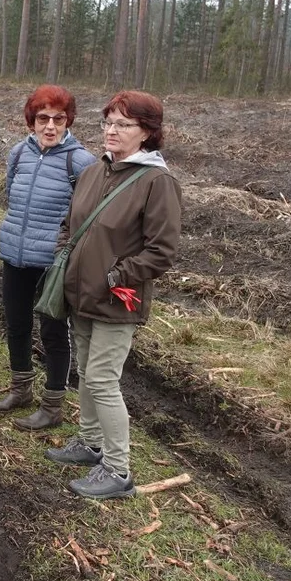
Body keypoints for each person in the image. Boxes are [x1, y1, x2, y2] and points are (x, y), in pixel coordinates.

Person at [44, 90, 182, 499]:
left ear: (147, 133)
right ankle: (91, 444)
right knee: (86, 372)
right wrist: (65, 258)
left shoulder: (157, 182)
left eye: (123, 124)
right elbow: (71, 224)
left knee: (103, 379)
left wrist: (115, 275)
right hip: (80, 294)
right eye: (108, 122)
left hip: (117, 298)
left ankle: (118, 470)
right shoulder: (95, 172)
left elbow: (162, 250)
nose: (112, 131)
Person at [0, 86, 96, 428]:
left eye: (58, 118)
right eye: (42, 118)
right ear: (31, 121)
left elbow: (86, 217)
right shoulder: (19, 153)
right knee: (16, 324)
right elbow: (11, 196)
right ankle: (20, 388)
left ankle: (52, 405)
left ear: (69, 121)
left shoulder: (79, 161)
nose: (50, 126)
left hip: (52, 262)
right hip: (15, 255)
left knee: (53, 332)